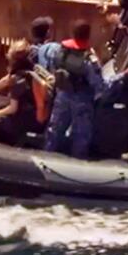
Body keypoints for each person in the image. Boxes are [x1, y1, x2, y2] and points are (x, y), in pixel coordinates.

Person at [42, 20, 99, 159]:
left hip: (62, 95)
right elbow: (98, 83)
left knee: (54, 130)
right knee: (81, 134)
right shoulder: (89, 59)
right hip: (82, 99)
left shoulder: (61, 50)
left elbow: (52, 64)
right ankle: (77, 164)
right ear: (88, 36)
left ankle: (47, 157)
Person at [0, 41, 40, 146]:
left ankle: (2, 143)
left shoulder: (19, 80)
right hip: (27, 110)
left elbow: (13, 108)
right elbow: (6, 80)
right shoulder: (28, 69)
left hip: (26, 118)